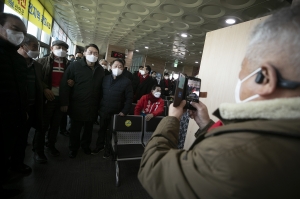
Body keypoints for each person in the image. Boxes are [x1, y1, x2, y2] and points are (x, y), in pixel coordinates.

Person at [138, 5, 300, 199]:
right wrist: (206, 125)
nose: (239, 76)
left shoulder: (233, 156)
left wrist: (172, 118)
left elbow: (153, 169)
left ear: (264, 78)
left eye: (243, 68)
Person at [0, 12, 28, 198]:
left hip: (13, 117)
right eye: (15, 29)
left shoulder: (18, 59)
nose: (19, 35)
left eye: (22, 33)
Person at [60, 44, 104, 158]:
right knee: (75, 129)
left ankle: (85, 146)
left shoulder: (100, 70)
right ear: (84, 53)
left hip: (92, 105)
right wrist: (64, 102)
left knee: (88, 129)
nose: (92, 55)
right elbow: (65, 84)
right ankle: (73, 148)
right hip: (77, 104)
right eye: (90, 52)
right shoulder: (75, 66)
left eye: (95, 53)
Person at [9, 34, 44, 174]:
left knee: (23, 139)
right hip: (13, 109)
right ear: (23, 46)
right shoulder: (12, 62)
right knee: (10, 140)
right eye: (34, 47)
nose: (37, 50)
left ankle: (18, 164)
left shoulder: (37, 66)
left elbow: (39, 84)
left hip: (31, 108)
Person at [34, 40, 70, 162]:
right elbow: (37, 79)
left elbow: (70, 82)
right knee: (43, 125)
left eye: (64, 48)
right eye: (58, 47)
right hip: (48, 99)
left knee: (55, 125)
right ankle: (38, 150)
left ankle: (51, 145)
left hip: (61, 99)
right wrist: (45, 88)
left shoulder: (68, 64)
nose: (61, 50)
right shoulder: (41, 62)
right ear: (51, 48)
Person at [92, 58, 133, 158]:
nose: (117, 68)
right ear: (111, 67)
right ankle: (99, 146)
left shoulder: (127, 82)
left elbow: (129, 99)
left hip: (116, 112)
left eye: (120, 67)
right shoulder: (105, 79)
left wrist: (124, 111)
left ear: (123, 69)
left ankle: (108, 150)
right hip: (104, 110)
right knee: (101, 129)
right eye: (115, 66)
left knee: (111, 132)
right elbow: (100, 94)